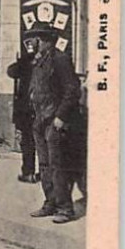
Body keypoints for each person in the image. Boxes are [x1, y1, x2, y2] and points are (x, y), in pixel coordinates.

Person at [27, 25, 82, 224]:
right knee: (43, 163)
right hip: (40, 119)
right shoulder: (39, 61)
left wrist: (61, 116)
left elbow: (72, 90)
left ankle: (65, 208)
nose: (31, 43)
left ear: (45, 40)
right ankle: (50, 202)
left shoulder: (60, 59)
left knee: (57, 164)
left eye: (35, 39)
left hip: (54, 121)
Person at [7, 35, 40, 183]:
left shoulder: (28, 61)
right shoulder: (34, 61)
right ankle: (32, 172)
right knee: (33, 141)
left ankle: (29, 171)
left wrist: (23, 59)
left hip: (29, 107)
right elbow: (12, 71)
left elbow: (11, 71)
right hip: (32, 107)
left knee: (28, 141)